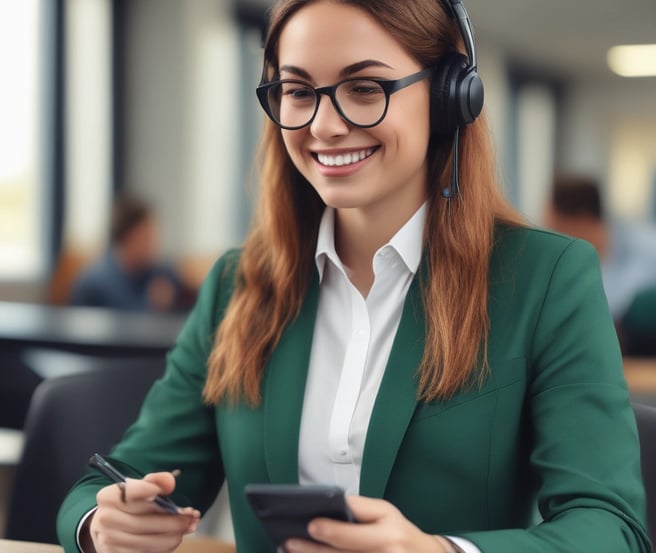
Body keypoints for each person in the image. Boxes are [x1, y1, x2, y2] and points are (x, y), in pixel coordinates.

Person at [58, 1, 651, 552]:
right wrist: (102, 522)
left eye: (365, 88)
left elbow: (611, 528)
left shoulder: (547, 279)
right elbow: (116, 481)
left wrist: (437, 551)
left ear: (450, 96)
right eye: (298, 91)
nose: (324, 126)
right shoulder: (239, 285)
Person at [543, 174, 656, 351]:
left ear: (584, 220)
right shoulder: (562, 270)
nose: (551, 239)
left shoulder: (645, 248)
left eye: (556, 228)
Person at [69, 193, 191, 313]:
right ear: (125, 238)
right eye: (145, 237)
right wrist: (150, 304)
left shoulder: (164, 276)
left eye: (154, 236)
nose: (153, 245)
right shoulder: (93, 283)